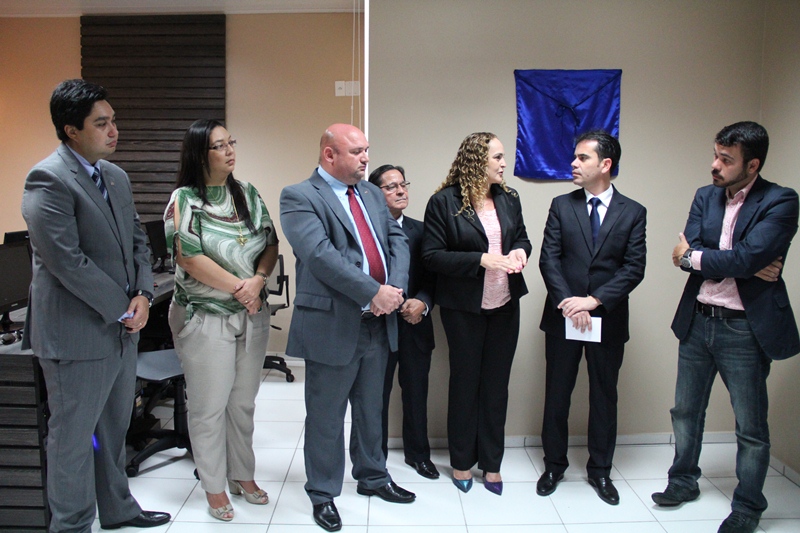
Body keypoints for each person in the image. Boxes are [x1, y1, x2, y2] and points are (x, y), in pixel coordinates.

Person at [20, 79, 170, 532]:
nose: (113, 131)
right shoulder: (47, 178)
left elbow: (138, 241)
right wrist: (124, 306)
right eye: (101, 123)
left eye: (113, 121)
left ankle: (118, 509)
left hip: (120, 329)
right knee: (72, 439)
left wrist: (143, 295)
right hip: (76, 334)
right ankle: (72, 525)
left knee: (113, 431)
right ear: (71, 130)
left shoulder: (115, 176)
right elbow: (67, 261)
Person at [652, 121, 799, 533]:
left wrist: (702, 257)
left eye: (726, 159)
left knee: (750, 428)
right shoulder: (706, 195)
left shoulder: (781, 200)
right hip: (698, 321)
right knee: (685, 412)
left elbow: (735, 257)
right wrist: (734, 261)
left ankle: (748, 506)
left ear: (752, 165)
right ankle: (683, 482)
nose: (715, 165)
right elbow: (694, 253)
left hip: (744, 329)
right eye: (715, 155)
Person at [279, 124, 415, 532]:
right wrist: (373, 291)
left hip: (378, 322)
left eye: (366, 150)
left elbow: (397, 240)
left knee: (372, 409)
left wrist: (394, 290)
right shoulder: (299, 196)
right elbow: (320, 256)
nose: (366, 158)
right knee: (326, 415)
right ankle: (323, 492)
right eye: (357, 152)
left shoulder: (371, 193)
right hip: (333, 323)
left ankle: (373, 477)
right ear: (329, 155)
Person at [164, 119, 279, 521]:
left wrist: (259, 280)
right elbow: (189, 257)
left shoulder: (247, 193)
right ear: (200, 153)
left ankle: (242, 474)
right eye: (219, 145)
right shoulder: (184, 199)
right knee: (208, 407)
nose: (230, 151)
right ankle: (214, 486)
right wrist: (240, 288)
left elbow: (270, 242)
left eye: (231, 142)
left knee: (242, 403)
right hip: (204, 316)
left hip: (251, 314)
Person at [536, 130, 647, 506]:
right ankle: (554, 466)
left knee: (603, 397)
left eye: (582, 157)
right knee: (557, 395)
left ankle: (600, 471)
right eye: (575, 157)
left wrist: (594, 301)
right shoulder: (561, 205)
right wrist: (570, 303)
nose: (573, 163)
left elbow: (633, 268)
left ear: (605, 164)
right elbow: (549, 259)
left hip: (607, 319)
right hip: (563, 317)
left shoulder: (633, 212)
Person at [421, 132, 531, 496]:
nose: (504, 163)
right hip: (463, 308)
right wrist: (481, 259)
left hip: (505, 305)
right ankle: (461, 461)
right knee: (465, 384)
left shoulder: (509, 198)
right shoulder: (444, 202)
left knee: (496, 387)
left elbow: (522, 238)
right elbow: (432, 256)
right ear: (476, 161)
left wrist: (521, 251)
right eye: (498, 157)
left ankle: (492, 464)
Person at [368, 164, 439, 480]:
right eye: (391, 186)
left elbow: (435, 277)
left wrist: (423, 302)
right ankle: (375, 459)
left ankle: (419, 456)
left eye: (403, 184)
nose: (400, 191)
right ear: (375, 193)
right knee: (375, 396)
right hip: (377, 326)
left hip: (415, 325)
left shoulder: (423, 231)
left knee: (416, 393)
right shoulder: (367, 233)